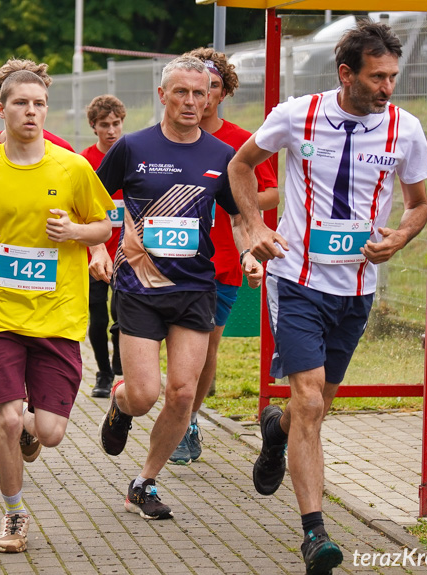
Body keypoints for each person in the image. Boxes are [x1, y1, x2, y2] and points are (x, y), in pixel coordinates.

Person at [227, 21, 427, 575]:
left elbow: (419, 204)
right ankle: (315, 533)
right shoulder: (298, 114)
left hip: (357, 291)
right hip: (296, 281)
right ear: (346, 74)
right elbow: (239, 166)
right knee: (311, 402)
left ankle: (276, 432)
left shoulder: (406, 129)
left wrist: (401, 235)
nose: (388, 87)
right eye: (377, 77)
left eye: (393, 76)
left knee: (314, 408)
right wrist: (255, 225)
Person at [0, 69, 114, 553]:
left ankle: (33, 431)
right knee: (8, 421)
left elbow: (103, 224)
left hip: (58, 316)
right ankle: (14, 514)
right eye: (20, 104)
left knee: (50, 433)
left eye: (38, 103)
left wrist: (75, 234)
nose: (30, 111)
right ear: (2, 109)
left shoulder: (73, 168)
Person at [95, 55, 262, 520]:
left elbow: (238, 214)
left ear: (210, 97)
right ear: (163, 95)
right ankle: (120, 402)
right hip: (139, 288)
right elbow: (92, 200)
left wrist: (250, 249)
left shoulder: (220, 155)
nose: (192, 101)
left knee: (184, 394)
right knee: (145, 393)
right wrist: (98, 248)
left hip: (194, 288)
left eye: (200, 92)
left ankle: (144, 481)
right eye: (182, 92)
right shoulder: (131, 147)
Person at [169, 48, 280, 464]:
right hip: (171, 256)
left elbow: (270, 192)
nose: (203, 95)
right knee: (170, 343)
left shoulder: (241, 141)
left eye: (212, 86)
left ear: (222, 91)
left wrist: (228, 197)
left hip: (223, 260)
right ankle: (146, 400)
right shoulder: (165, 134)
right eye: (196, 87)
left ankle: (188, 420)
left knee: (207, 344)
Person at [80, 95, 126, 397]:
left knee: (122, 316)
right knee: (96, 317)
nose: (111, 131)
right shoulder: (83, 161)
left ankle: (122, 371)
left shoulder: (132, 154)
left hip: (127, 253)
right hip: (92, 252)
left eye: (116, 124)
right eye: (105, 125)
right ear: (94, 127)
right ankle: (103, 373)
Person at [0, 58, 74, 162]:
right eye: (21, 102)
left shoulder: (63, 150)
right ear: (0, 102)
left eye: (38, 103)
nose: (31, 111)